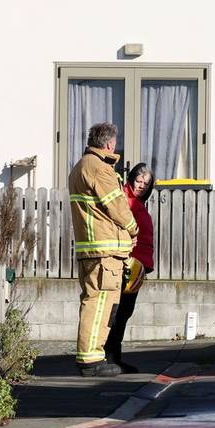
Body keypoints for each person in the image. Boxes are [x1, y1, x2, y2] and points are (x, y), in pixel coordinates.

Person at [68, 122, 139, 377]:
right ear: (109, 144)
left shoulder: (81, 167)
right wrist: (133, 229)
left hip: (93, 249)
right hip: (104, 251)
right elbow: (117, 207)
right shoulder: (99, 169)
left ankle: (93, 355)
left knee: (95, 301)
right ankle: (91, 359)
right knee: (99, 303)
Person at [105, 163, 155, 373]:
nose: (141, 186)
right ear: (132, 178)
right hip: (126, 263)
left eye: (146, 183)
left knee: (125, 311)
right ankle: (110, 357)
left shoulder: (138, 203)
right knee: (118, 311)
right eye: (139, 181)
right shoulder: (124, 200)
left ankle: (115, 356)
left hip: (136, 265)